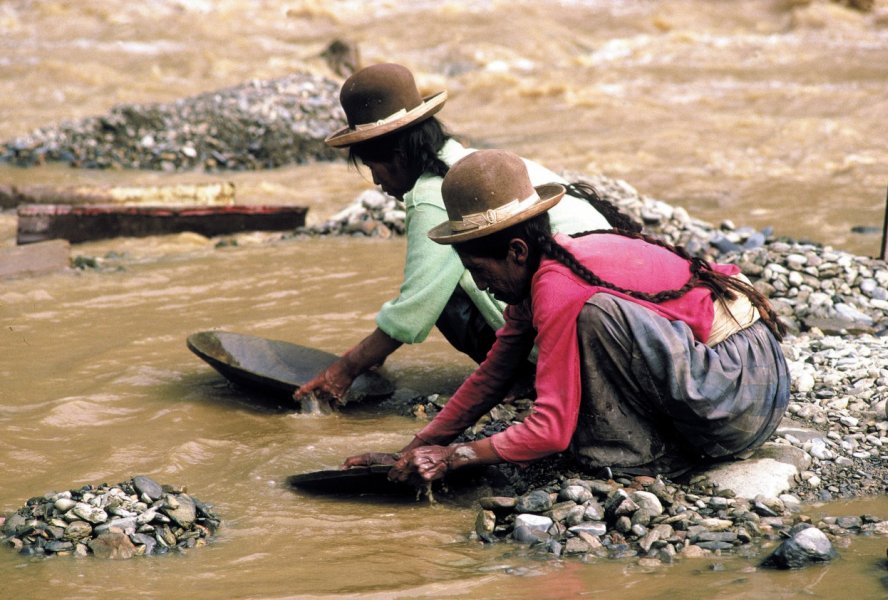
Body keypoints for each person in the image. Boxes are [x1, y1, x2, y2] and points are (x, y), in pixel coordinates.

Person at [344, 149, 791, 480]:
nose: (480, 286)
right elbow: (493, 375)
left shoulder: (560, 287)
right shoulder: (546, 265)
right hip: (746, 384)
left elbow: (552, 429)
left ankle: (641, 456)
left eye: (480, 271)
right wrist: (418, 446)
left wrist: (459, 455)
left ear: (516, 251)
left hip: (741, 399)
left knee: (595, 315)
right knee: (592, 320)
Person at [294, 63, 622, 405]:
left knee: (446, 290)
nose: (377, 182)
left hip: (576, 335)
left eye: (374, 169)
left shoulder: (434, 194)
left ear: (398, 156)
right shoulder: (474, 164)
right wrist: (375, 352)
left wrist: (344, 370)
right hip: (606, 323)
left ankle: (522, 377)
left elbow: (416, 306)